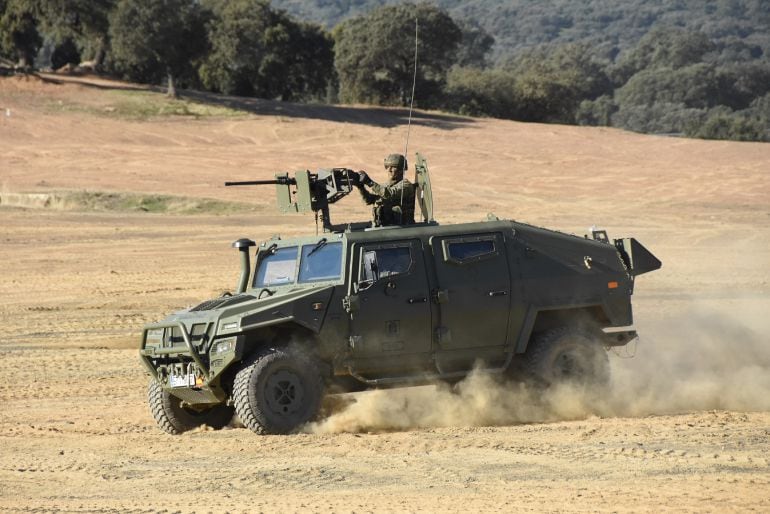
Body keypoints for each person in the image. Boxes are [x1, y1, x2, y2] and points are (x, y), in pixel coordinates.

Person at [356, 153, 415, 226]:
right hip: (383, 226)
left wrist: (369, 182)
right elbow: (368, 200)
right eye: (387, 167)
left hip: (401, 226)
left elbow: (389, 194)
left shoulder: (406, 185)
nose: (389, 170)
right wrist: (360, 187)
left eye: (393, 167)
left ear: (401, 170)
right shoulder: (384, 186)